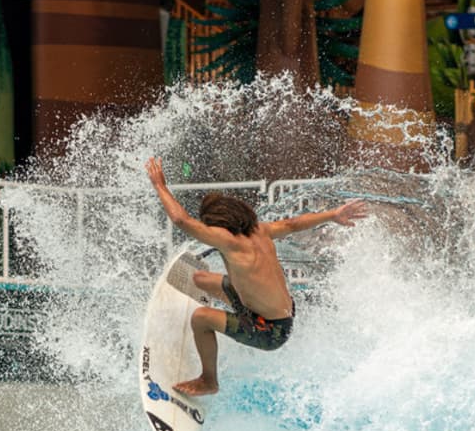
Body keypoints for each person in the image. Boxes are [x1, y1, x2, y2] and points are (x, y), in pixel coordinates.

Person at [146, 157, 368, 396]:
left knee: (200, 318)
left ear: (219, 225)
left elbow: (181, 220)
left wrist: (160, 185)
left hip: (270, 330)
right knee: (201, 279)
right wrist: (333, 214)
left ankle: (208, 380)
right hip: (279, 312)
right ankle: (222, 321)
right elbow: (293, 224)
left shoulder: (228, 241)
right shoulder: (261, 229)